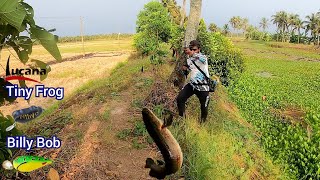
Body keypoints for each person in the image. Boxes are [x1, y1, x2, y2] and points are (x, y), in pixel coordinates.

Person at [176, 40, 210, 123]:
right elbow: (191, 70)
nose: (192, 51)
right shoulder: (189, 59)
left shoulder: (203, 58)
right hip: (192, 85)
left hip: (203, 87)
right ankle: (182, 120)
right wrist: (186, 69)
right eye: (191, 49)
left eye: (194, 49)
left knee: (204, 107)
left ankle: (202, 124)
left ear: (199, 49)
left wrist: (191, 53)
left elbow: (200, 58)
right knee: (180, 99)